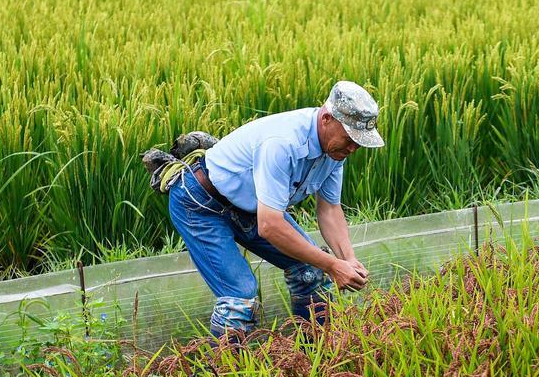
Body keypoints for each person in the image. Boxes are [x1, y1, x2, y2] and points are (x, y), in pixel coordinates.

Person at [146, 81, 383, 339]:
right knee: (240, 299)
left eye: (358, 143)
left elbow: (329, 210)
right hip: (201, 202)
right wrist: (332, 265)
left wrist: (347, 258)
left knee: (311, 272)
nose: (352, 149)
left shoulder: (334, 152)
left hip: (248, 207)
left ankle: (315, 365)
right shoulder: (283, 142)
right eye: (350, 139)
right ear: (327, 119)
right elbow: (270, 226)